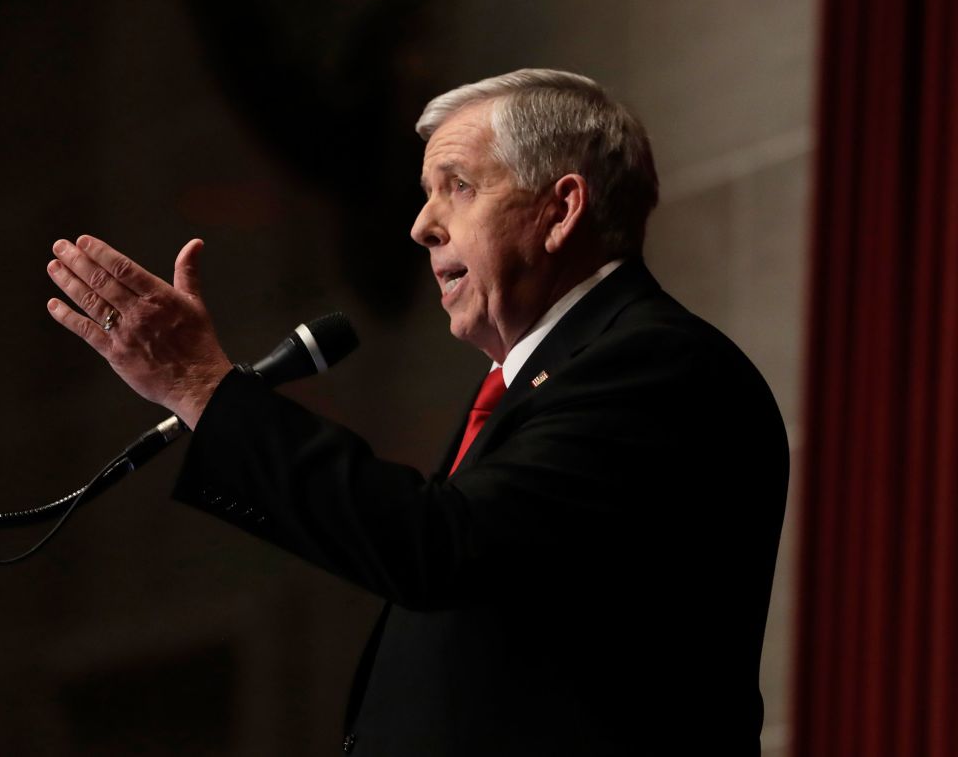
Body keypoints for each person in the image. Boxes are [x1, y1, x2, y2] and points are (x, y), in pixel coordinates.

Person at [45, 69, 789, 756]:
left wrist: (203, 389)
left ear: (561, 209)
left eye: (456, 186)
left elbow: (441, 548)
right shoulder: (543, 377)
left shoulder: (655, 366)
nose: (421, 226)